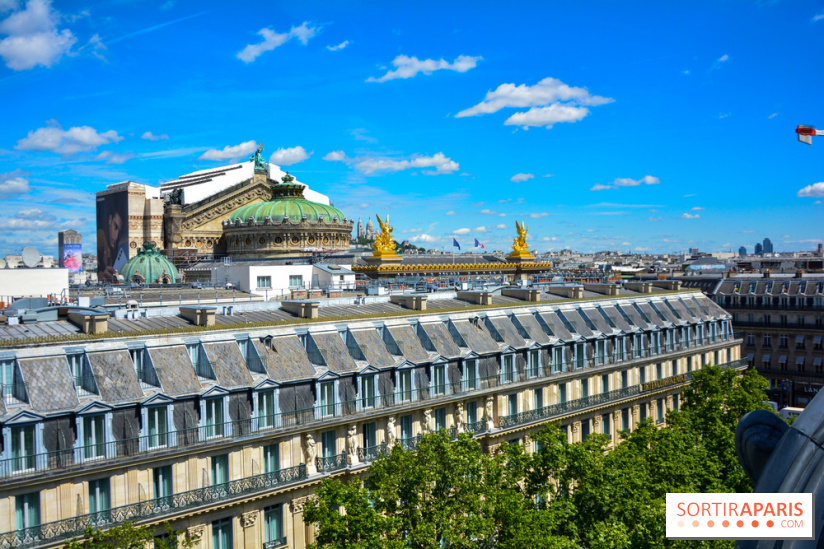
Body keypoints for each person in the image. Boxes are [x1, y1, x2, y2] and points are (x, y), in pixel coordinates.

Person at [98, 208, 124, 281]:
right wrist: (99, 273)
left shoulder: (115, 248)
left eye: (119, 231)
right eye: (115, 226)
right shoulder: (100, 236)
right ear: (110, 220)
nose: (116, 236)